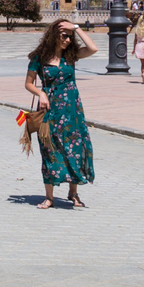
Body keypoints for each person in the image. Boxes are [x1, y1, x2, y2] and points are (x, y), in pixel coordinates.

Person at [22, 19, 98, 209]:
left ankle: (73, 193)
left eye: (69, 37)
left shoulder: (70, 56)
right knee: (50, 151)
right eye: (64, 36)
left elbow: (93, 48)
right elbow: (28, 83)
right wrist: (41, 93)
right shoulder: (39, 58)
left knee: (75, 148)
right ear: (54, 35)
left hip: (72, 110)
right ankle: (49, 197)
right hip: (49, 110)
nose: (67, 40)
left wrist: (77, 28)